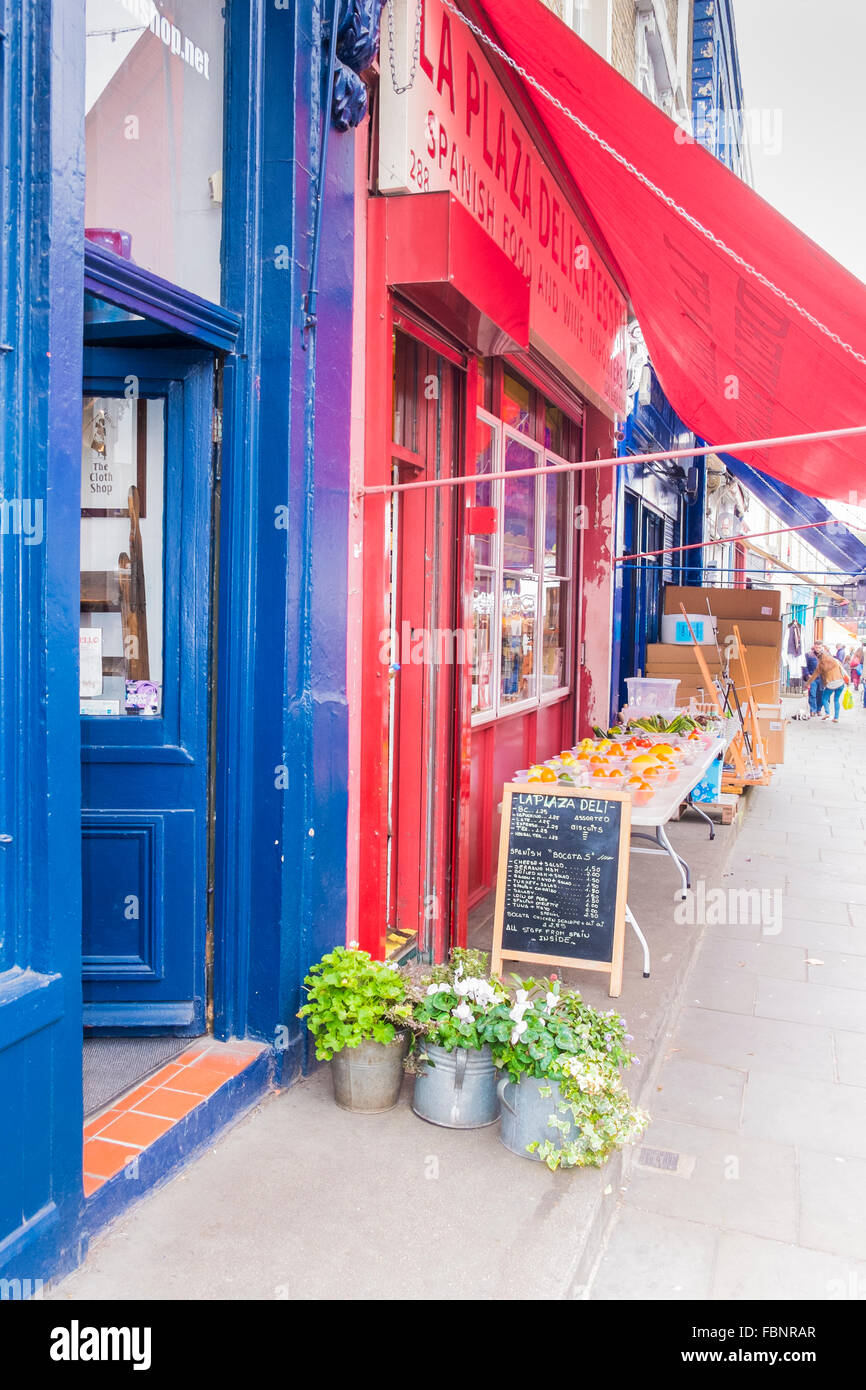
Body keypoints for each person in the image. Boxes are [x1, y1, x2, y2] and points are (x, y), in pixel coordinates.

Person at [805, 647, 850, 722]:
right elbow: (842, 670)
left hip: (831, 684)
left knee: (824, 698)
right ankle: (836, 718)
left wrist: (807, 683)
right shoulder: (835, 661)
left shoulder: (820, 666)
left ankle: (827, 713)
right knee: (836, 700)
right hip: (840, 683)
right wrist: (848, 681)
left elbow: (814, 676)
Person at [803, 644, 822, 717]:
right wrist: (807, 674)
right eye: (816, 647)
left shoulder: (824, 655)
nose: (818, 649)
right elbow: (804, 665)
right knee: (812, 694)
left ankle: (819, 710)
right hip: (812, 677)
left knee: (820, 694)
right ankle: (813, 710)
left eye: (819, 647)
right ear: (814, 647)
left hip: (821, 678)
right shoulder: (809, 655)